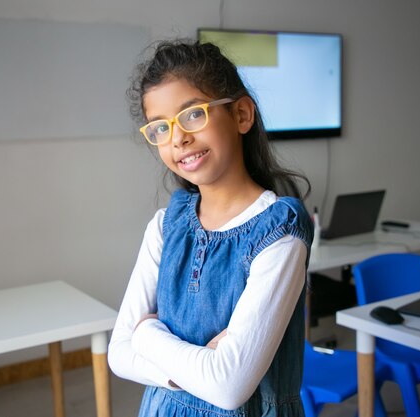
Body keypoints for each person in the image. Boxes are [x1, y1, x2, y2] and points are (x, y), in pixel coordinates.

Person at [108, 39, 314, 417]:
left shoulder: (280, 231)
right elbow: (118, 354)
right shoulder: (165, 227)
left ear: (241, 115)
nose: (178, 138)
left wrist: (146, 334)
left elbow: (229, 386)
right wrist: (198, 365)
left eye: (193, 115)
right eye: (160, 128)